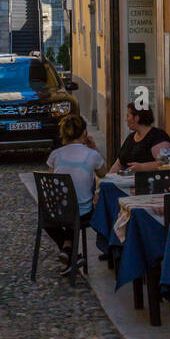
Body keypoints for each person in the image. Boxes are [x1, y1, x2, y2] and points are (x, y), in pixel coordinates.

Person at [44, 114, 107, 271]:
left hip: (54, 213)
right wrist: (93, 148)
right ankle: (70, 253)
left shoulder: (55, 155)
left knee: (57, 215)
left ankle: (68, 250)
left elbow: (52, 184)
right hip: (81, 212)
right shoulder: (92, 155)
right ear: (85, 133)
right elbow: (104, 174)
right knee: (76, 209)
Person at [106, 104, 170, 173]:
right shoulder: (131, 137)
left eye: (128, 116)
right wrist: (109, 178)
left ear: (137, 118)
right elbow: (119, 163)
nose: (126, 119)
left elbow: (166, 163)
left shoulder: (158, 136)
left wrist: (141, 167)